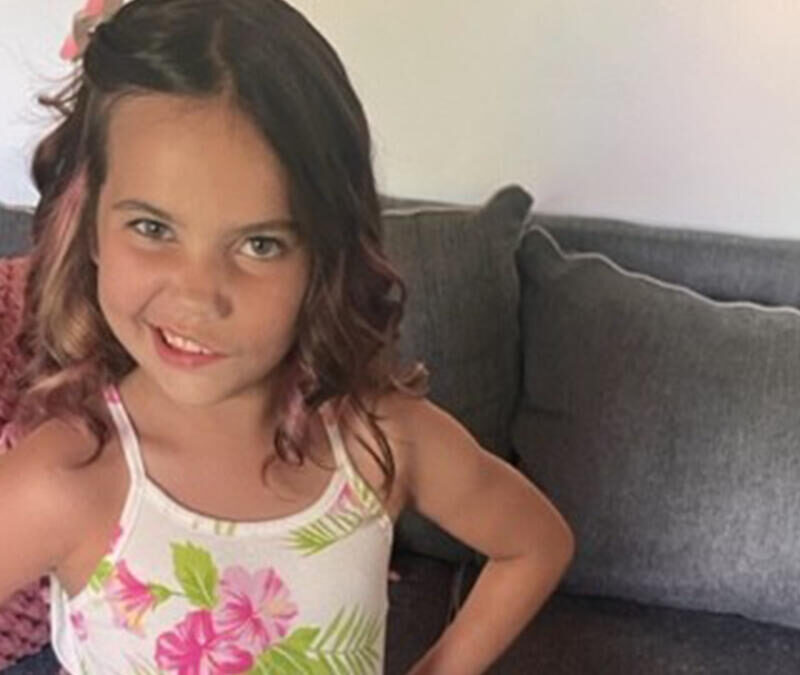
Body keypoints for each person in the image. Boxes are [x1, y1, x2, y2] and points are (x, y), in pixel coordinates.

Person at [0, 0, 575, 673]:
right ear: (89, 219)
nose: (198, 295)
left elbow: (536, 542)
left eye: (259, 243)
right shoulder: (65, 477)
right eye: (154, 229)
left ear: (325, 254)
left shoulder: (380, 440)